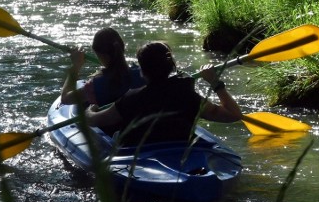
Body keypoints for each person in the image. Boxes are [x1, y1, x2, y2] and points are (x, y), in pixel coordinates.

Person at [86, 41, 242, 146]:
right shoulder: (187, 95)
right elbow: (233, 115)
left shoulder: (131, 99)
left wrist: (89, 111)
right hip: (180, 154)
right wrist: (215, 83)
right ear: (170, 66)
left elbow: (95, 121)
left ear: (143, 71)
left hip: (141, 159)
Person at [61, 27, 145, 108]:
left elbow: (65, 99)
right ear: (122, 48)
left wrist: (76, 65)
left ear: (101, 56)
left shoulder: (93, 87)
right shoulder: (144, 73)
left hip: (107, 121)